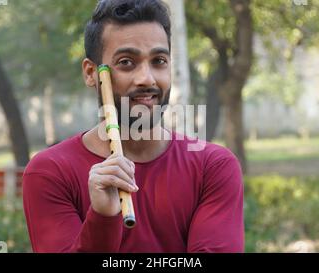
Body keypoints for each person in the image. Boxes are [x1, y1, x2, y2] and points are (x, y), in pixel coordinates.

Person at [22, 0, 244, 253]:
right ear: (91, 73)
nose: (146, 79)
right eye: (126, 62)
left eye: (159, 61)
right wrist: (103, 216)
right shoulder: (50, 172)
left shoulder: (212, 167)